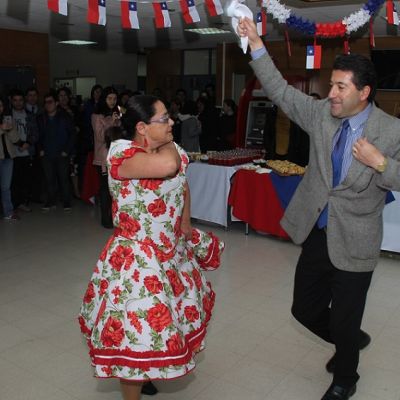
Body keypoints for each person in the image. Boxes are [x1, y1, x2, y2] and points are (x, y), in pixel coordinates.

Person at [238, 18, 400, 400]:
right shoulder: (322, 115)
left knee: (346, 316)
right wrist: (257, 43)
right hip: (318, 233)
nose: (332, 94)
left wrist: (380, 163)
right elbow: (279, 90)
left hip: (357, 241)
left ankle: (345, 379)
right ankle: (349, 339)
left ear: (364, 92)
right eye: (332, 85)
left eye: (341, 87)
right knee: (304, 310)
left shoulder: (391, 131)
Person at [78, 95, 223, 400]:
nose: (171, 123)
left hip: (169, 252)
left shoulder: (167, 148)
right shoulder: (122, 153)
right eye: (164, 118)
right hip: (138, 261)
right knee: (135, 336)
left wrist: (185, 223)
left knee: (163, 324)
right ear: (141, 127)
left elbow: (181, 182)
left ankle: (148, 373)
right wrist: (168, 143)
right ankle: (136, 381)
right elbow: (170, 165)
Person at [38, 92, 75, 211]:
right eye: (45, 102)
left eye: (50, 102)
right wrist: (40, 149)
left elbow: (72, 134)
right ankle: (51, 201)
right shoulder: (41, 118)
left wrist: (66, 150)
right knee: (49, 179)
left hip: (61, 153)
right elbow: (38, 135)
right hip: (46, 153)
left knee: (64, 178)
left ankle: (66, 201)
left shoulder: (65, 117)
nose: (48, 104)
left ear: (56, 103)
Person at [92, 86, 120, 228]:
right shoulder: (97, 115)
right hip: (103, 157)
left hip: (116, 155)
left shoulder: (117, 114)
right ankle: (106, 219)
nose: (112, 101)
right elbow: (101, 137)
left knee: (116, 188)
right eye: (109, 98)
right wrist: (112, 122)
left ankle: (116, 217)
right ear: (104, 99)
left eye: (114, 98)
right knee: (105, 189)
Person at [287, 92, 321, 166]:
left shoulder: (323, 122)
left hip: (314, 161)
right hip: (296, 160)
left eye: (315, 103)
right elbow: (293, 141)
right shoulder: (297, 118)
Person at [0, 98, 20, 220]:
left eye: (1, 105)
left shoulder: (7, 119)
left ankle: (8, 212)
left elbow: (15, 139)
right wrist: (1, 129)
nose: (0, 108)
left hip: (8, 157)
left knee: (6, 187)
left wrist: (10, 129)